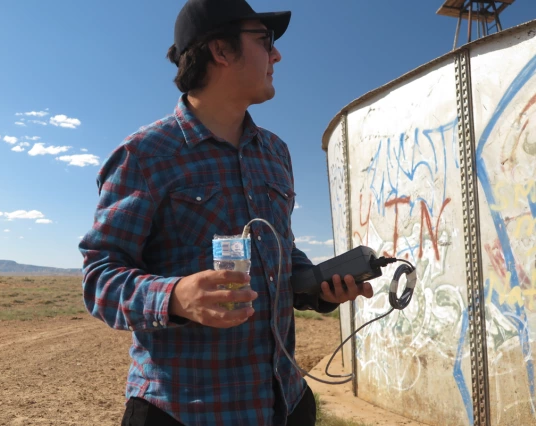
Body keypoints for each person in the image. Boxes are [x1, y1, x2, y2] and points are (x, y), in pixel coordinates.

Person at [78, 0, 374, 425]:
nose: (277, 55)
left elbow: (281, 252)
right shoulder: (144, 155)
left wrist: (317, 287)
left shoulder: (275, 153)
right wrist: (176, 297)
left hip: (285, 404)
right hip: (182, 411)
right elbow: (99, 276)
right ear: (220, 50)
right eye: (265, 41)